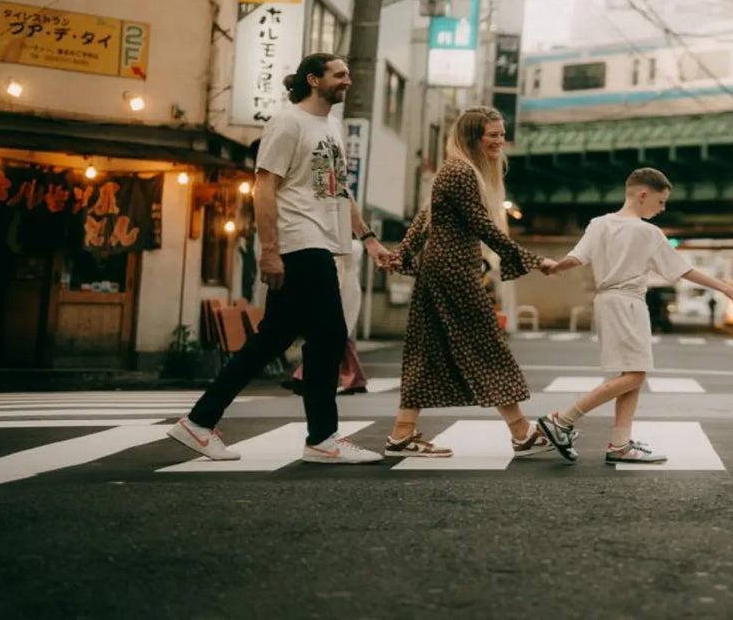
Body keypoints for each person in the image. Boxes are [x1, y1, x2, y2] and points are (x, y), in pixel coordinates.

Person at [166, 53, 392, 464]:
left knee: (273, 337)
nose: (347, 81)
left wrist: (370, 239)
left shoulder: (333, 126)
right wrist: (270, 251)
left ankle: (199, 422)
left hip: (322, 237)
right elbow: (263, 186)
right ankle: (322, 439)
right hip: (298, 240)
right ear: (313, 79)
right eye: (339, 75)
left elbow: (338, 190)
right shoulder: (287, 123)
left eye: (347, 75)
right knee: (329, 335)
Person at [536, 168, 733, 465]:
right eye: (661, 202)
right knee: (635, 374)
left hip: (607, 301)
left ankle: (620, 443)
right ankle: (562, 420)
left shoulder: (599, 224)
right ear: (643, 195)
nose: (663, 209)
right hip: (629, 303)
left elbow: (576, 258)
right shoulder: (648, 232)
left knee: (630, 374)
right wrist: (728, 289)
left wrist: (554, 267)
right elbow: (683, 269)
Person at [383, 107, 558, 459]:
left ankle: (402, 433)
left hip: (441, 269)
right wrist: (532, 260)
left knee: (425, 352)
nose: (499, 140)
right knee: (486, 347)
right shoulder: (461, 171)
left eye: (501, 132)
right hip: (453, 271)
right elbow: (482, 224)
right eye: (492, 134)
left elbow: (424, 218)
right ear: (471, 137)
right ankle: (521, 432)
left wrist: (403, 253)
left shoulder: (458, 170)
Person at [286, 237, 369, 396]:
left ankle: (305, 377)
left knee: (332, 336)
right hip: (340, 285)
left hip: (344, 288)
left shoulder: (352, 245)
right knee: (338, 338)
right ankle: (355, 380)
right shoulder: (346, 246)